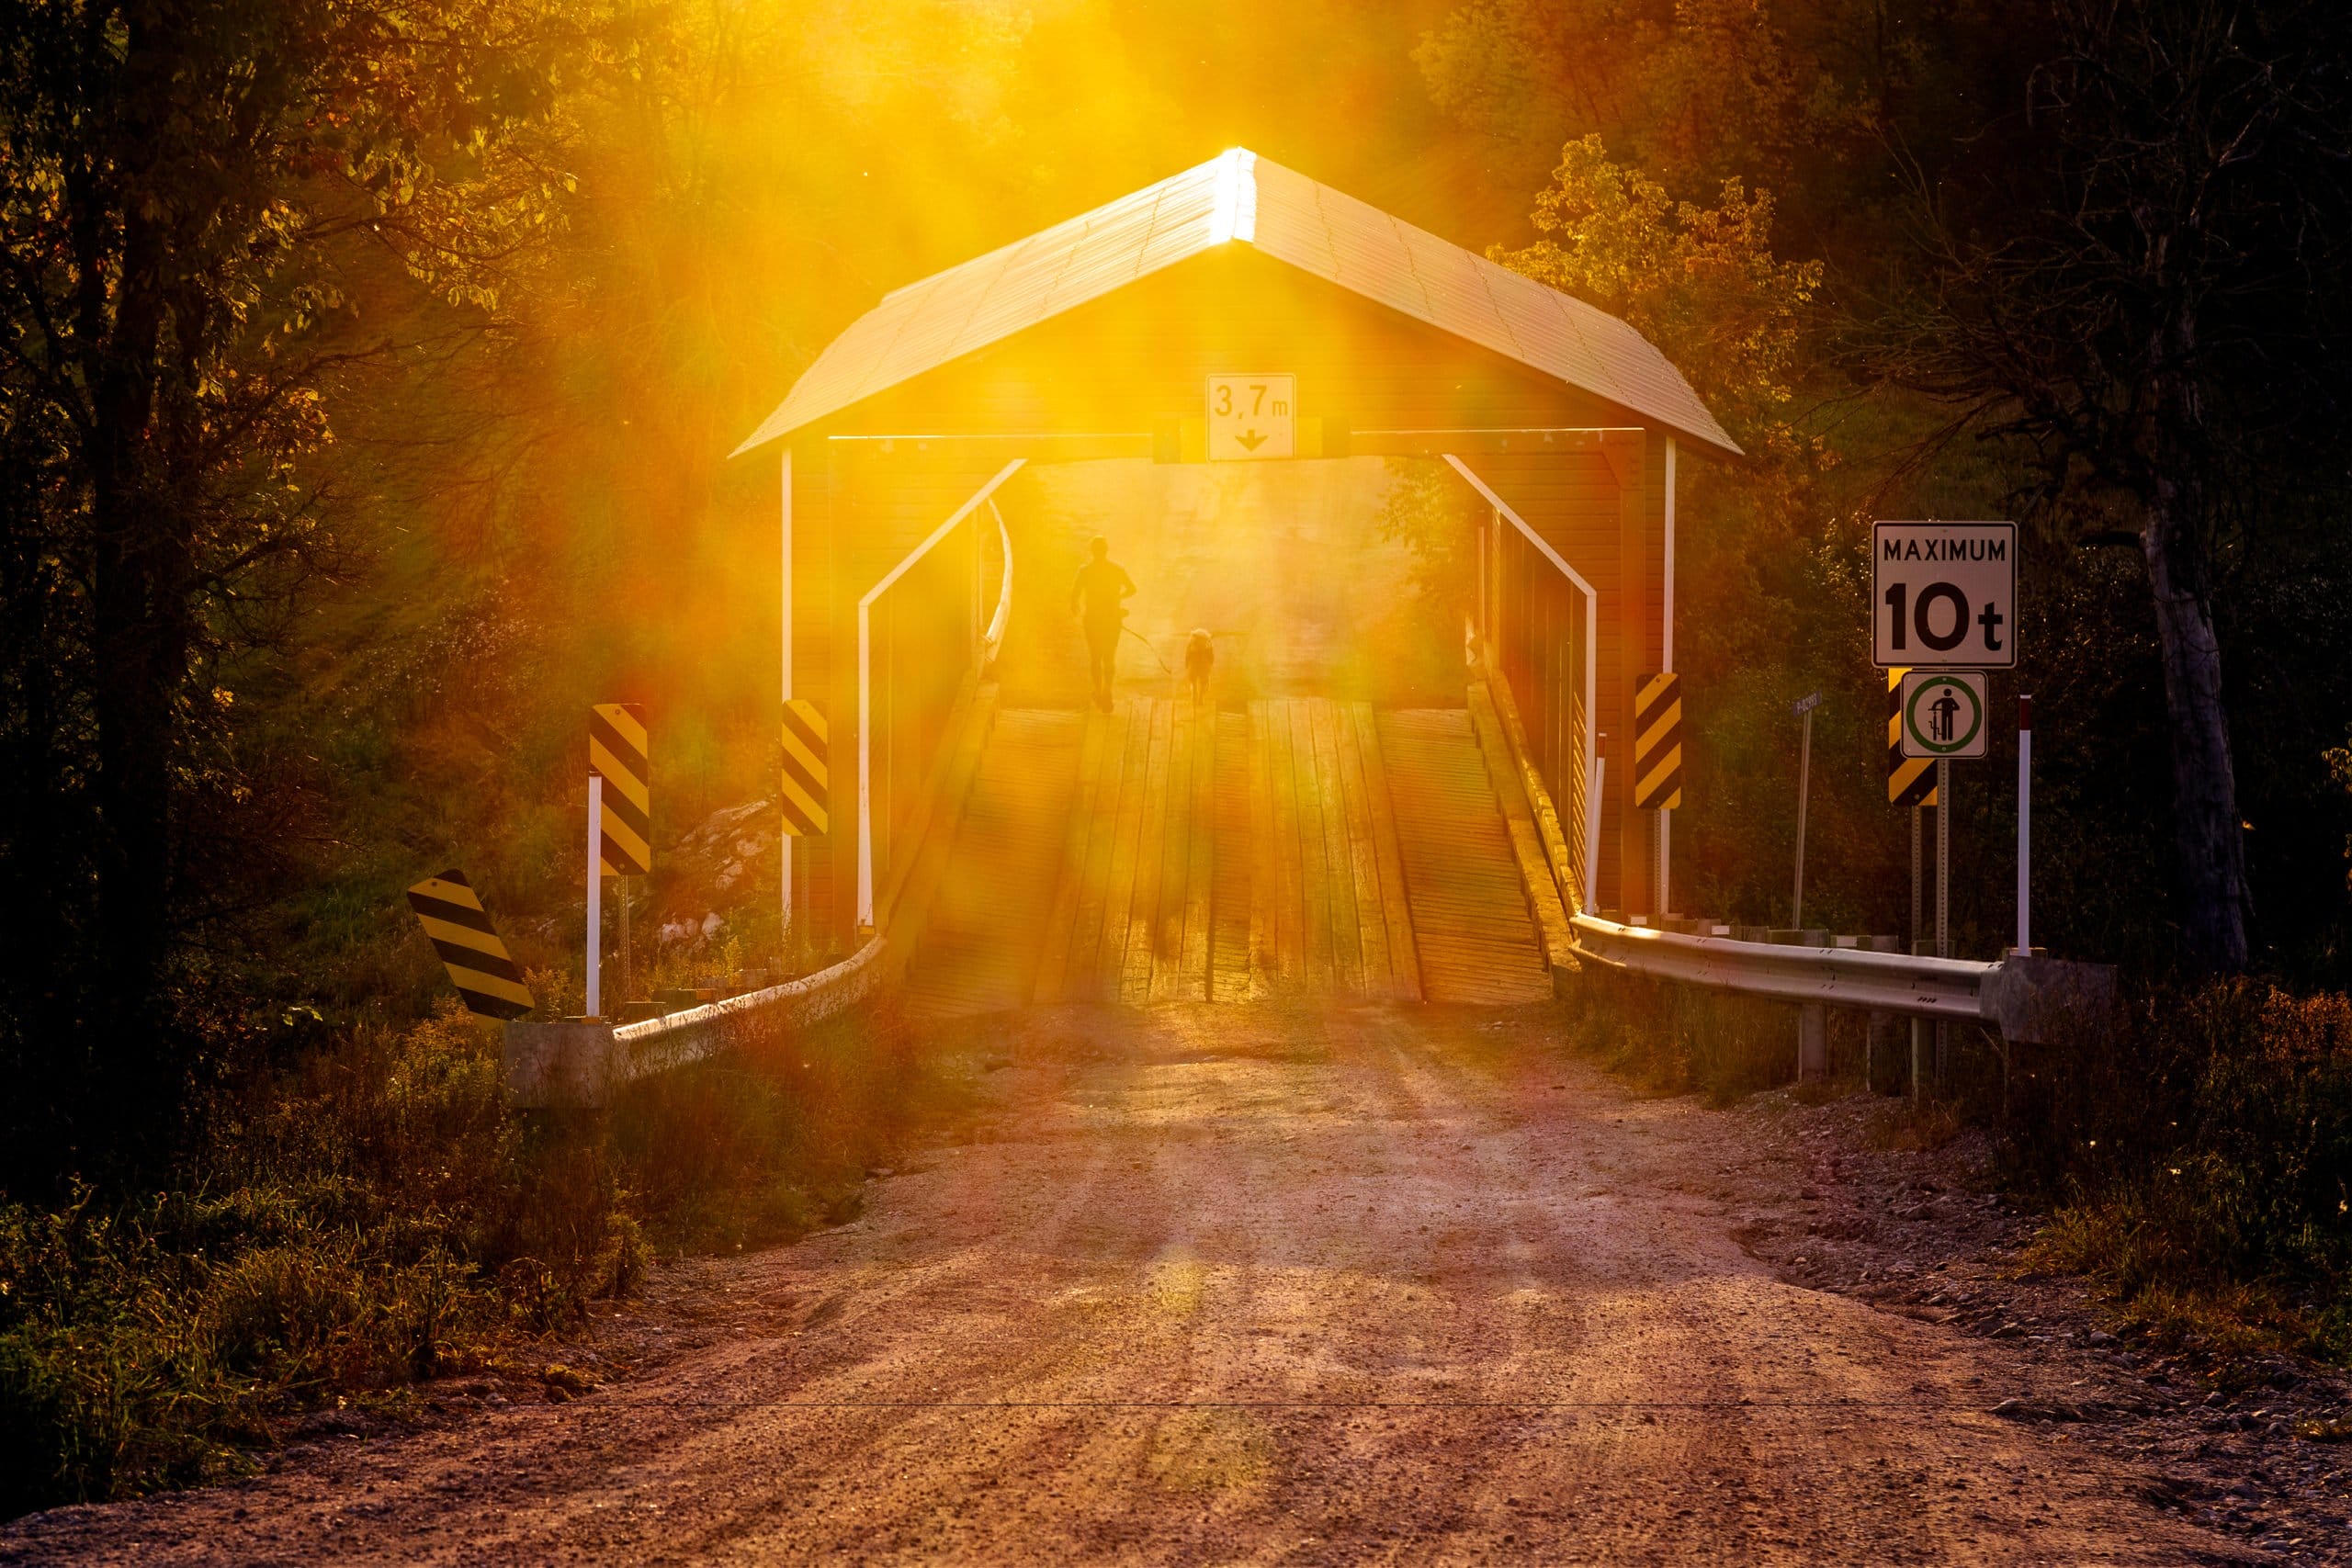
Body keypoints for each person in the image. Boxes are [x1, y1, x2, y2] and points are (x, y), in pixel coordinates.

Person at [1071, 536, 1135, 711]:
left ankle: (1098, 691)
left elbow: (1074, 596)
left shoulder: (1085, 571)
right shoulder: (1117, 569)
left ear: (1092, 551)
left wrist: (1075, 606)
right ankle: (1107, 689)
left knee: (1095, 657)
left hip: (1092, 619)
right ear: (1106, 550)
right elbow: (1132, 589)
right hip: (1112, 618)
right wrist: (1118, 598)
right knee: (1109, 656)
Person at [1184, 628, 1215, 706]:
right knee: (1203, 682)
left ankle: (1194, 693)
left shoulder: (1192, 643)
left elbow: (1187, 654)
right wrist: (1210, 663)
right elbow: (1211, 656)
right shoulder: (1208, 643)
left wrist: (1186, 663)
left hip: (1193, 665)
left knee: (1193, 681)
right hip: (1204, 666)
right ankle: (1201, 697)